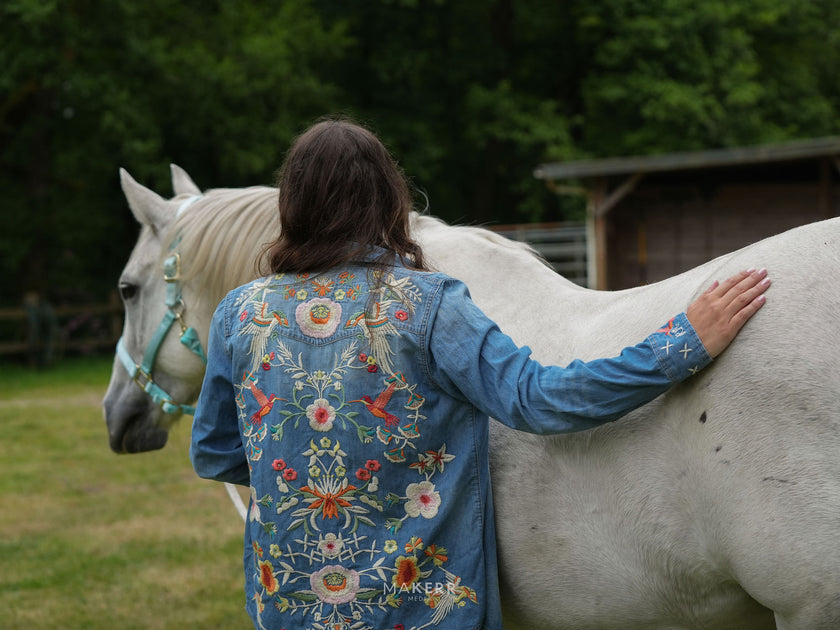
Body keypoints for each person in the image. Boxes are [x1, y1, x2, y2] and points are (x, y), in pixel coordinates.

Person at [190, 118, 770, 630]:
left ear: (292, 206)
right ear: (388, 201)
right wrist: (681, 344)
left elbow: (216, 452)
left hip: (289, 607)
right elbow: (538, 399)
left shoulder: (241, 314)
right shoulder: (427, 305)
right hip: (422, 609)